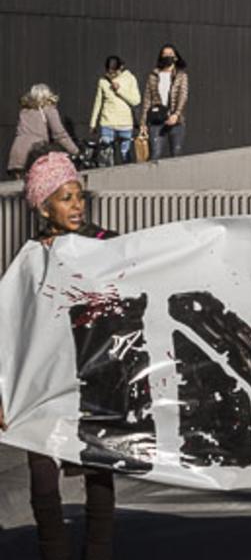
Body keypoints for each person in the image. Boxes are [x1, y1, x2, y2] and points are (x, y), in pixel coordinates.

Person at [6, 149, 118, 559]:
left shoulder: (107, 245)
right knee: (42, 475)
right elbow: (10, 328)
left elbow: (166, 256)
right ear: (43, 205)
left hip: (95, 378)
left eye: (79, 196)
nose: (77, 205)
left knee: (99, 471)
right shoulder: (28, 262)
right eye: (65, 197)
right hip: (45, 383)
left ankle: (98, 552)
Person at [9, 84, 78, 179]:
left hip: (17, 155)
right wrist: (76, 151)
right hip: (35, 154)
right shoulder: (49, 110)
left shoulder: (24, 111)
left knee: (21, 189)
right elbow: (60, 135)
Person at [89, 56, 141, 165]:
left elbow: (136, 101)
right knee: (106, 156)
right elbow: (98, 103)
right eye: (109, 72)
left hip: (125, 123)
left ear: (121, 68)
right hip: (107, 123)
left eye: (114, 72)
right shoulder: (102, 81)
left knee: (125, 154)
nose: (111, 75)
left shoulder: (130, 78)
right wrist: (93, 123)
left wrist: (119, 90)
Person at [142, 44, 189, 159]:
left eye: (170, 54)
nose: (167, 56)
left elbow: (183, 96)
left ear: (175, 57)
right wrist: (143, 123)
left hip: (175, 119)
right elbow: (147, 99)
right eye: (165, 54)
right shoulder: (153, 75)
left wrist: (176, 114)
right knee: (155, 154)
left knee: (176, 154)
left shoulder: (181, 76)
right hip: (156, 119)